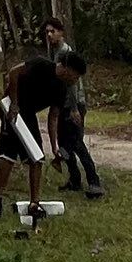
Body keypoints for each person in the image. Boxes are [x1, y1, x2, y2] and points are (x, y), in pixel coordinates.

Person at [0, 46, 83, 224]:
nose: (75, 80)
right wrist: (14, 104)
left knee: (37, 157)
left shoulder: (62, 89)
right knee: (8, 155)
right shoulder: (41, 64)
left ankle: (34, 203)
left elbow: (53, 117)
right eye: (75, 75)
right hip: (12, 108)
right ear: (67, 68)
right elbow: (13, 73)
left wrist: (54, 146)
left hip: (28, 114)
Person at [52, 44, 105, 198]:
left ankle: (94, 182)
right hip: (63, 106)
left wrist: (75, 109)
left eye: (52, 31)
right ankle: (74, 180)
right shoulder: (55, 52)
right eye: (47, 31)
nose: (49, 34)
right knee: (64, 144)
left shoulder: (67, 55)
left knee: (77, 144)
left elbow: (73, 87)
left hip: (73, 107)